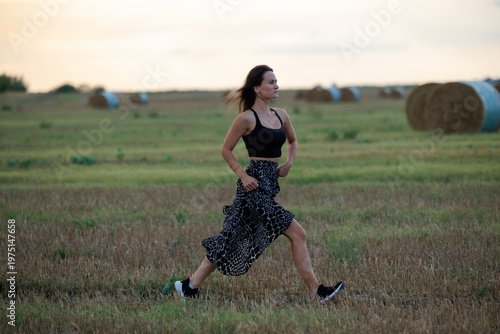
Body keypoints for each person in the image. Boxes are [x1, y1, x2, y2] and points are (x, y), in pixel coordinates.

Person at [174, 65, 344, 304]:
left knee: (230, 238)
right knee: (298, 234)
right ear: (257, 88)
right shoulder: (245, 118)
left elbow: (293, 141)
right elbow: (226, 150)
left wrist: (289, 163)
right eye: (271, 82)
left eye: (277, 81)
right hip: (253, 187)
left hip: (270, 184)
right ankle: (318, 292)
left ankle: (188, 287)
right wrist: (243, 176)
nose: (276, 85)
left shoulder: (281, 114)